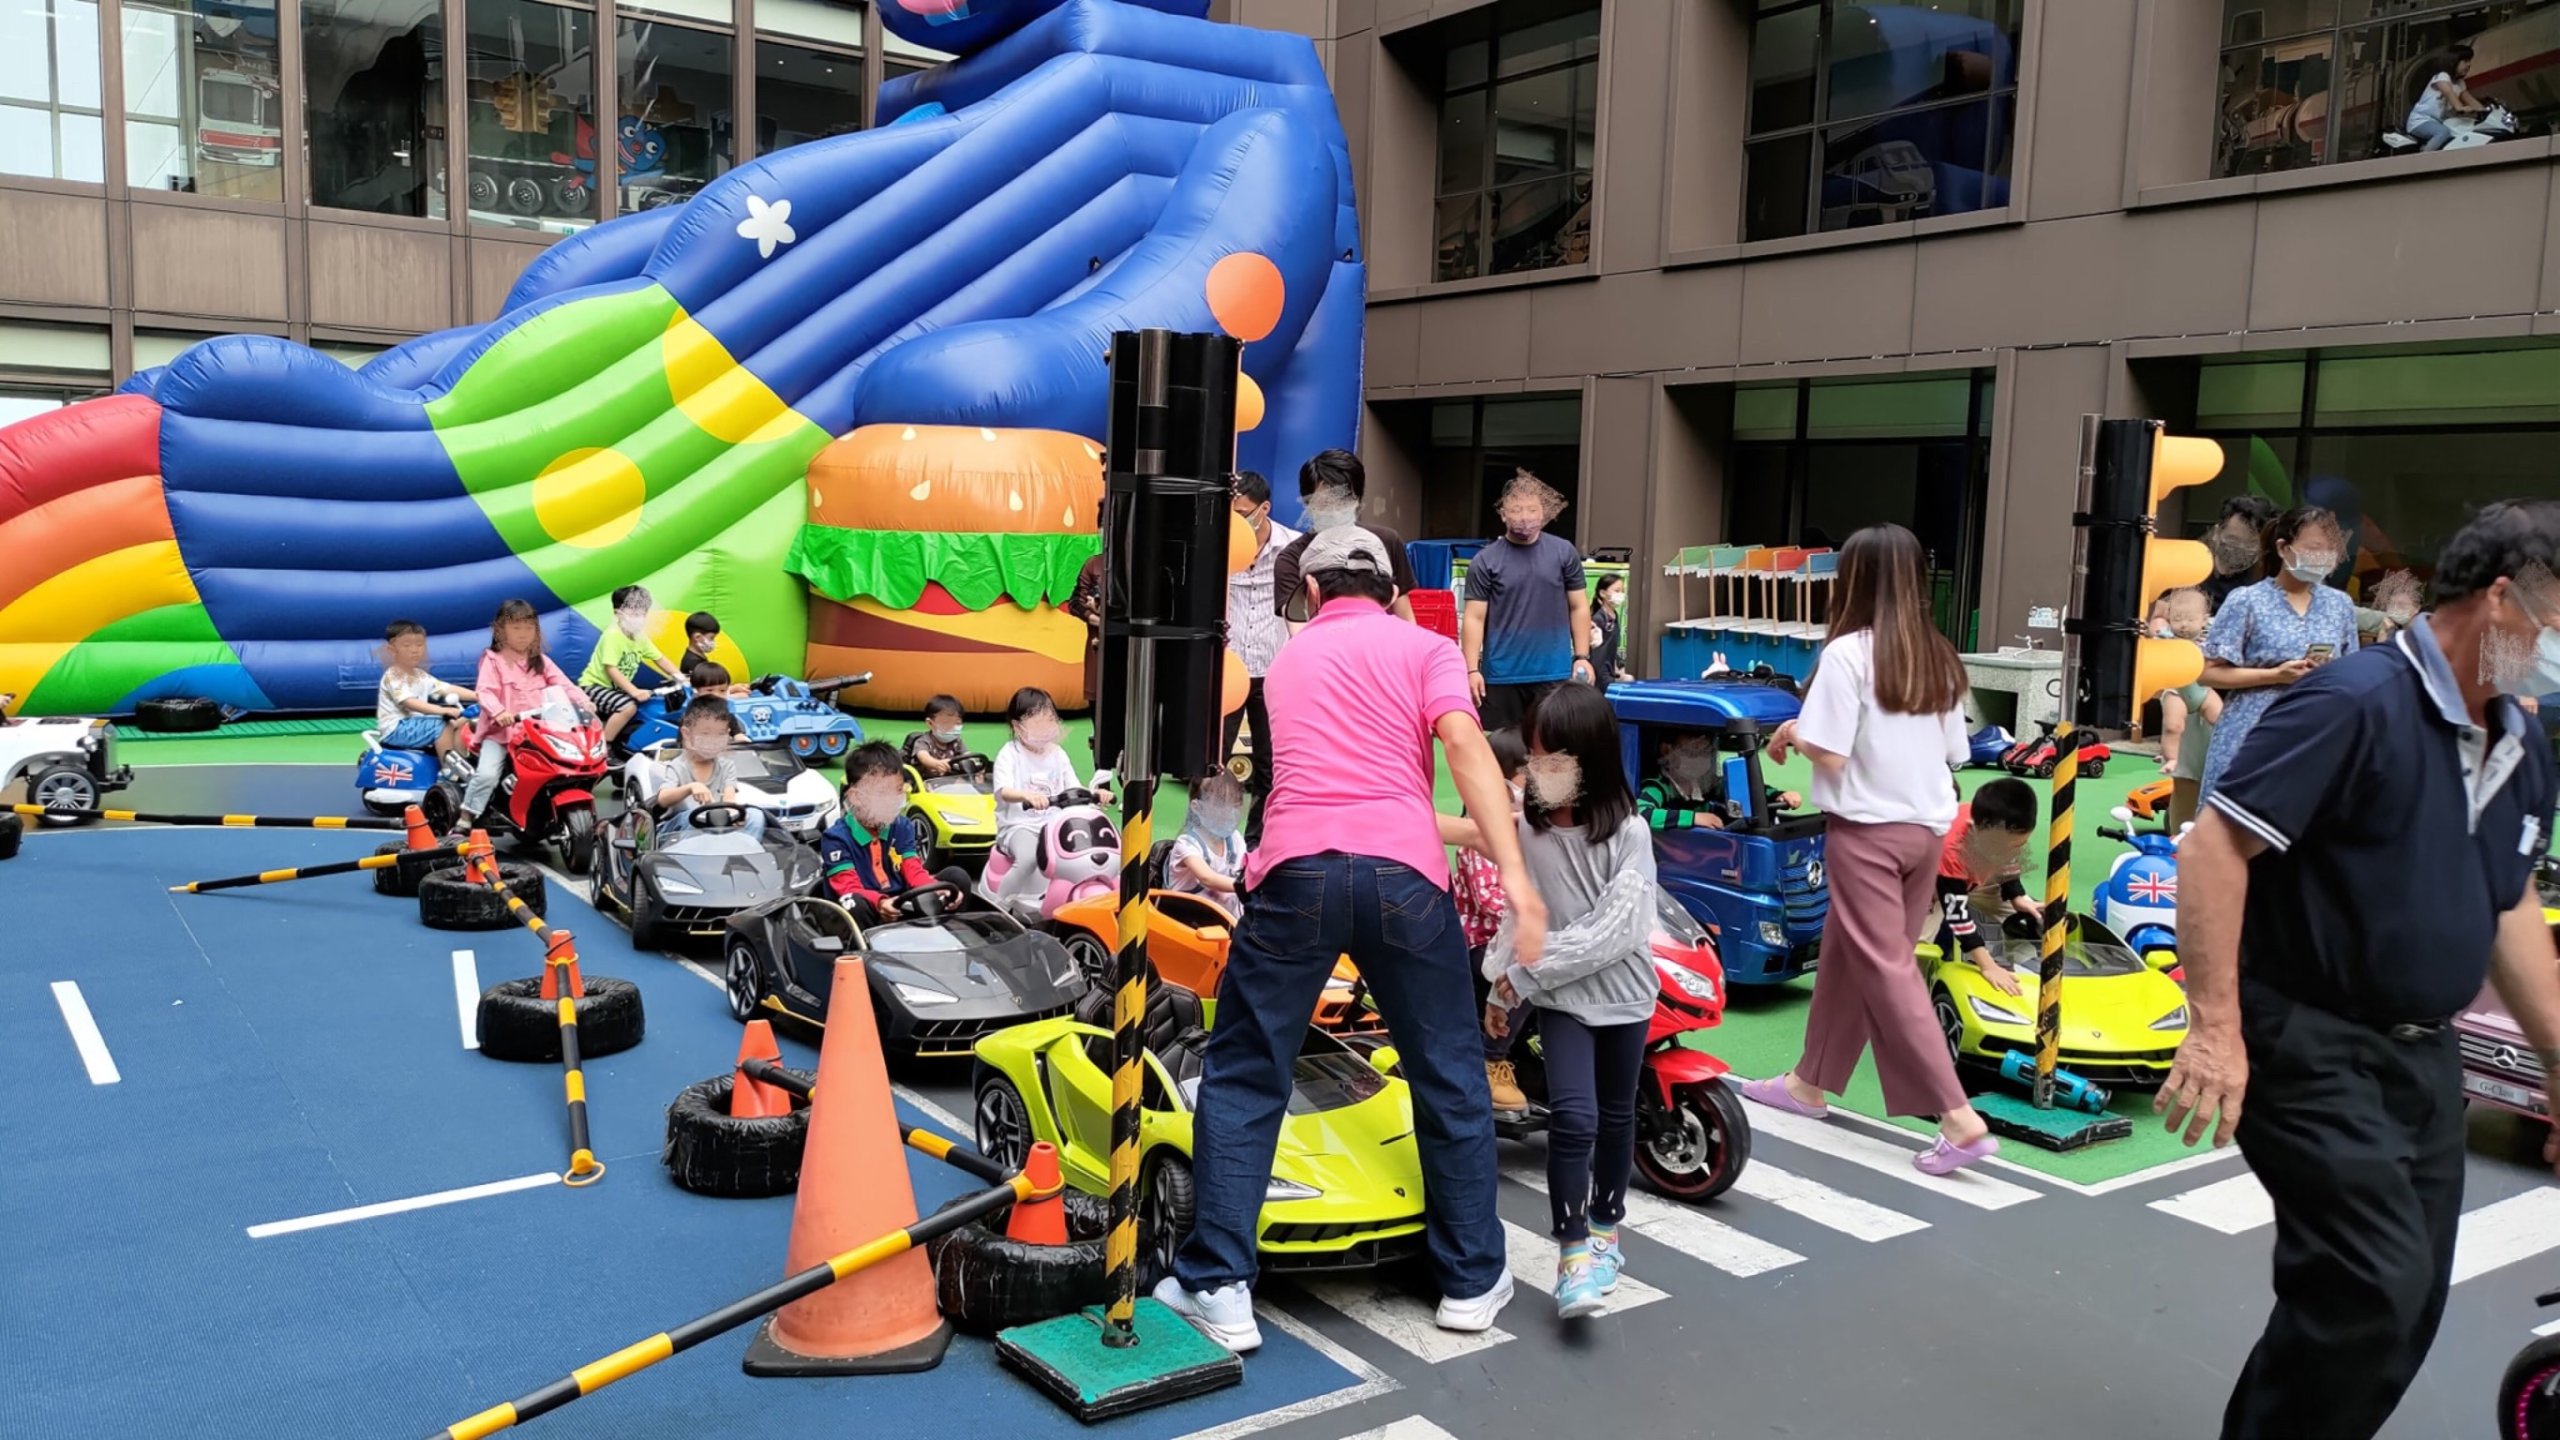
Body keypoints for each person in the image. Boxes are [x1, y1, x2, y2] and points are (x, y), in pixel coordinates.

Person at [2158, 498, 2560, 1440]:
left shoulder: (2519, 738)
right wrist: (2215, 1028)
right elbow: (2213, 850)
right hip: (2308, 1036)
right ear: (2502, 600)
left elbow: (2506, 900)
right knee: (2368, 1282)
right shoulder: (2356, 702)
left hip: (2423, 1056)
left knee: (2405, 1302)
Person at [1156, 524, 1546, 1354]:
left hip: (1295, 873)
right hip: (1405, 877)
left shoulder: (1291, 658)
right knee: (1448, 1074)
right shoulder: (1428, 650)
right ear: (1393, 590)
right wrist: (1512, 871)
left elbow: (1330, 768)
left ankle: (1219, 1283)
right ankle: (1471, 1280)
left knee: (1246, 1072)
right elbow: (1462, 748)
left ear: (1311, 590)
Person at [1742, 524, 1997, 1176]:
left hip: (1866, 833)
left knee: (1884, 967)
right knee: (1852, 955)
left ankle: (1957, 1116)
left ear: (1851, 580)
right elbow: (1956, 750)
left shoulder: (1847, 654)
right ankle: (1809, 1082)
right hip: (1926, 830)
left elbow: (1829, 752)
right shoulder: (1937, 653)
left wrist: (1793, 730)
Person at [1452, 684, 1657, 1320]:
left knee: (1616, 1119)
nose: (1536, 771)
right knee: (1574, 1119)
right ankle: (1573, 1257)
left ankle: (1605, 1232)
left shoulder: (1631, 835)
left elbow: (1614, 934)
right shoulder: (1528, 832)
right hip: (1563, 1001)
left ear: (1590, 758)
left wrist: (1521, 977)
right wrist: (1501, 981)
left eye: (1551, 759)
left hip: (1626, 1000)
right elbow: (1520, 914)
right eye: (1533, 758)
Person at [2198, 506, 2361, 800]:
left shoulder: (2340, 605)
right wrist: (2274, 675)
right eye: (2314, 548)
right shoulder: (2247, 601)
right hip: (2252, 731)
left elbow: (2352, 675)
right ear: (2283, 548)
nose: (2324, 557)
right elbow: (2207, 673)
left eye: (2331, 550)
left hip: (2317, 733)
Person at [1463, 470, 1593, 731]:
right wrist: (1471, 670)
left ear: (1543, 513)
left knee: (1552, 746)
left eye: (1532, 509)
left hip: (1554, 673)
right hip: (1500, 676)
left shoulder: (1563, 552)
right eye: (1516, 510)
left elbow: (1579, 606)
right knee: (1501, 748)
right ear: (1503, 514)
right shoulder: (1485, 561)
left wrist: (1582, 656)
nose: (1525, 517)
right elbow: (1474, 618)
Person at [458, 599, 595, 837]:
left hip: (538, 732)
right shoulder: (492, 660)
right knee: (488, 773)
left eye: (528, 628)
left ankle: (541, 808)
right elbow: (485, 691)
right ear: (500, 631)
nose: (523, 634)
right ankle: (466, 816)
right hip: (502, 734)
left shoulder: (541, 661)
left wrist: (584, 702)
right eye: (516, 628)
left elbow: (563, 684)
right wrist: (499, 712)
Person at [1454, 727, 1531, 1110]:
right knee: (1529, 973)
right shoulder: (1479, 831)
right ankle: (1491, 1058)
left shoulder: (1531, 828)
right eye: (1527, 775)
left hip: (1519, 933)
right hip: (1482, 943)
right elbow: (1490, 902)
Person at [1223, 470, 1298, 845]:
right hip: (1227, 670)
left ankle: (1258, 843)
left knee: (1271, 766)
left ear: (1264, 509)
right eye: (1231, 514)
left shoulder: (1294, 548)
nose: (1236, 522)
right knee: (1211, 761)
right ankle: (1207, 839)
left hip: (1274, 671)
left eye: (1243, 514)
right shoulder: (1219, 543)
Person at [821, 742, 973, 922]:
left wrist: (936, 887)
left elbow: (912, 869)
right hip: (865, 907)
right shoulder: (836, 838)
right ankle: (864, 941)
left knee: (956, 877)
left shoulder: (902, 826)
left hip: (899, 901)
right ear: (857, 797)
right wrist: (880, 902)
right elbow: (848, 887)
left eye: (898, 790)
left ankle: (952, 931)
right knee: (854, 902)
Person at [1268, 449, 1418, 627]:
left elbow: (1406, 619)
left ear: (1358, 500)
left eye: (1344, 501)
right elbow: (1299, 629)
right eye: (1325, 502)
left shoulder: (1386, 542)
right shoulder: (1292, 558)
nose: (1335, 510)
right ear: (1308, 503)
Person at [1931, 776, 2044, 998]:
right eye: (2005, 846)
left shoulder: (2000, 832)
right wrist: (1988, 965)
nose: (2013, 851)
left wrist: (2017, 896)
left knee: (2031, 913)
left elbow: (2008, 859)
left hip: (1976, 874)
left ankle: (2024, 960)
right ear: (1974, 829)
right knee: (1921, 948)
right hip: (1933, 884)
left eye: (2020, 844)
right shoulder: (1951, 850)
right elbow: (1957, 916)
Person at [631, 693, 766, 842]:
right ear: (687, 734)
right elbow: (663, 799)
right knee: (692, 817)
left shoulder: (726, 765)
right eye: (705, 734)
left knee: (755, 815)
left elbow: (729, 798)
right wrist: (691, 787)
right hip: (679, 829)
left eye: (720, 734)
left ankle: (743, 849)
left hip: (716, 823)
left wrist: (734, 815)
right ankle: (691, 854)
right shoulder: (679, 765)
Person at [581, 584, 682, 751]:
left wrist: (681, 677)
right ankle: (604, 747)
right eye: (634, 613)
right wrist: (634, 691)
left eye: (643, 613)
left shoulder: (639, 636)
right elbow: (611, 669)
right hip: (594, 686)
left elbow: (660, 659)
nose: (639, 618)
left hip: (616, 690)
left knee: (650, 704)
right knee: (628, 707)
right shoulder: (613, 635)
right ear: (618, 613)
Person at [1638, 733, 1799, 831]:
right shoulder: (1659, 786)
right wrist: (1694, 818)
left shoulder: (1706, 784)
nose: (1701, 759)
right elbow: (1641, 815)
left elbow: (1746, 790)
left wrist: (1778, 795)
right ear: (1667, 750)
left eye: (1706, 752)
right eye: (1693, 752)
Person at [2160, 588, 2224, 832]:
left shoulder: (2211, 634)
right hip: (2177, 690)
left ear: (2204, 619)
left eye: (2190, 619)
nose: (2184, 625)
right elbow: (2153, 634)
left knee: (2221, 719)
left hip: (2203, 690)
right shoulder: (2168, 637)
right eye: (2177, 618)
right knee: (2173, 726)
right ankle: (2171, 757)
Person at [376, 619, 475, 759]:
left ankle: (462, 760)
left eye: (419, 645)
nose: (414, 650)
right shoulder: (394, 675)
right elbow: (409, 702)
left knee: (461, 722)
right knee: (442, 725)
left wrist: (477, 695)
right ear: (392, 650)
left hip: (415, 725)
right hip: (396, 729)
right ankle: (448, 767)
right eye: (406, 645)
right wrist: (442, 710)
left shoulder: (420, 675)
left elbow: (446, 688)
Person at [1167, 770, 1248, 914]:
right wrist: (1248, 885)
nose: (1229, 812)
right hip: (1190, 921)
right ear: (1196, 807)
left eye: (1235, 805)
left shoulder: (1235, 839)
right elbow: (1207, 878)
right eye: (1220, 805)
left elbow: (1247, 869)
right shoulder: (1187, 843)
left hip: (1229, 920)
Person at [2203, 495, 2279, 611]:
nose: (2240, 548)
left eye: (2250, 544)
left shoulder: (2264, 578)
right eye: (2233, 540)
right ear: (2217, 532)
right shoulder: (2192, 564)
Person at [2406, 44, 2485, 153]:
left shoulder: (2459, 83)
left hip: (2439, 122)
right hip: (2421, 120)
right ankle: (2423, 158)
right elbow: (2448, 91)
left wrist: (2486, 112)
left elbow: (2470, 100)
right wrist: (2459, 107)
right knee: (2443, 133)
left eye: (2469, 61)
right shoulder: (2442, 76)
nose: (2469, 64)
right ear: (2454, 61)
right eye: (2465, 61)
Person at [906, 695, 970, 777]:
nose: (952, 727)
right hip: (925, 780)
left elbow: (967, 755)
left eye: (957, 723)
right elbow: (924, 757)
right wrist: (935, 763)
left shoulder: (957, 742)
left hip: (949, 779)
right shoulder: (923, 741)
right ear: (930, 723)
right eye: (946, 723)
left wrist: (973, 764)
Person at [1589, 572, 1630, 683]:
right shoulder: (1598, 619)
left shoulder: (1613, 615)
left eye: (1622, 591)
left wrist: (1619, 665)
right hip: (1600, 673)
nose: (1621, 594)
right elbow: (1597, 653)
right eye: (1617, 591)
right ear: (1603, 593)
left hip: (1609, 670)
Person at [678, 610, 724, 688]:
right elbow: (704, 689)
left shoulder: (698, 657)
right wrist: (731, 689)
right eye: (711, 638)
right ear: (697, 637)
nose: (713, 642)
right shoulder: (693, 662)